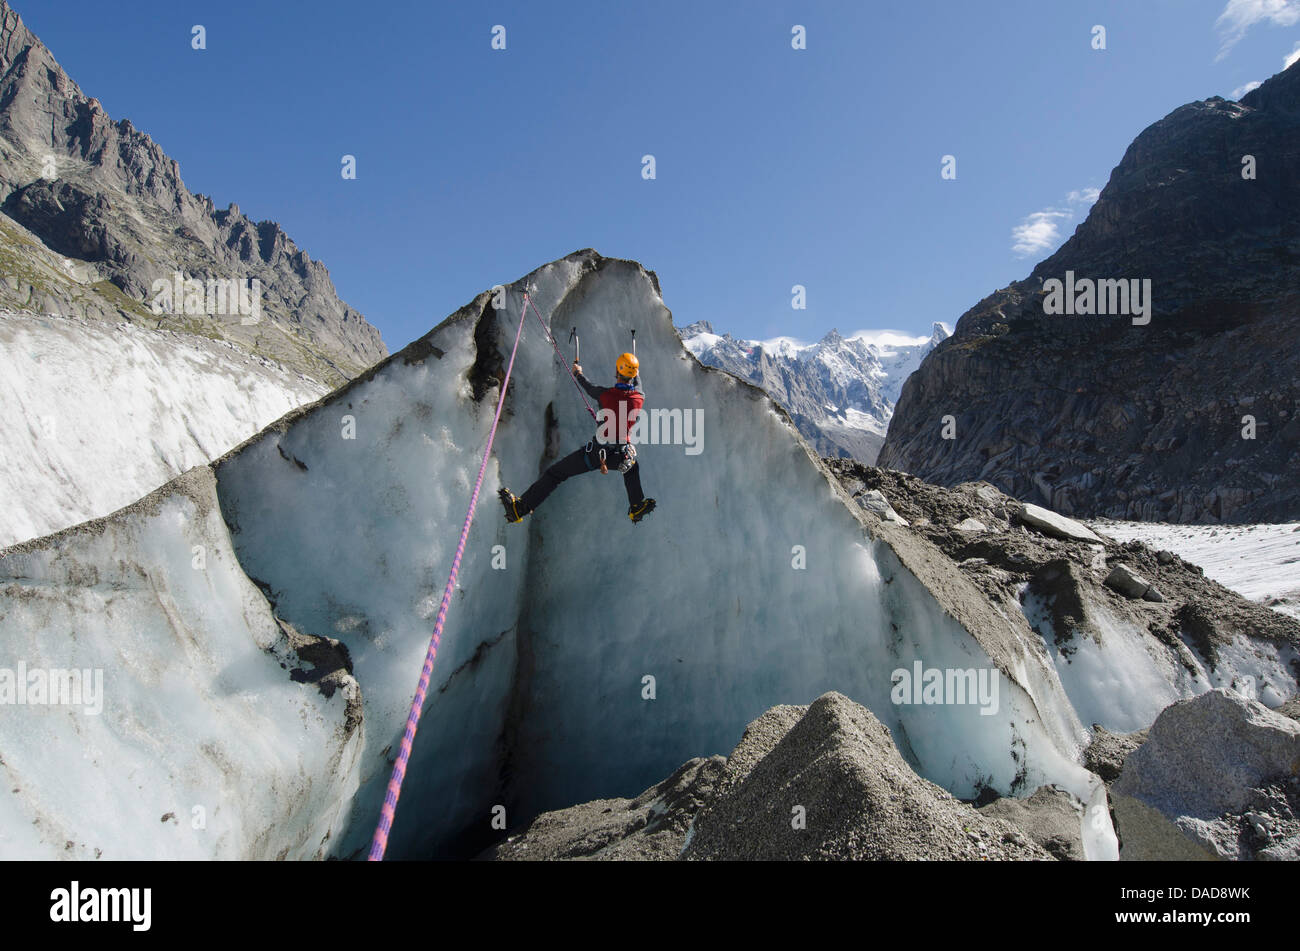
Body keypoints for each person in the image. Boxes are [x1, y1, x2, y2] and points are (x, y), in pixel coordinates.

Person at [499, 351, 656, 524]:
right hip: (620, 455)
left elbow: (587, 385)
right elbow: (638, 384)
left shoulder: (605, 395)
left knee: (555, 474)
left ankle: (520, 508)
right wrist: (636, 373)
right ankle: (636, 506)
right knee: (631, 468)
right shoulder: (639, 397)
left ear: (617, 372)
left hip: (596, 454)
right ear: (633, 376)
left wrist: (577, 372)